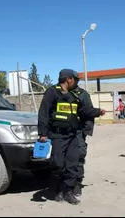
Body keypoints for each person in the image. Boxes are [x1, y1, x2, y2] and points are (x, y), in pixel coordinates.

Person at [37, 69, 105, 205]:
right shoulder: (52, 92)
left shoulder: (74, 95)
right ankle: (57, 189)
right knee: (58, 164)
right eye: (76, 79)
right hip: (57, 135)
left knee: (72, 164)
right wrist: (43, 133)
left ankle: (68, 191)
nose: (77, 82)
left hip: (73, 135)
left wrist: (97, 112)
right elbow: (43, 113)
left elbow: (83, 110)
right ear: (69, 79)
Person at [71, 86, 95, 198]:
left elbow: (89, 112)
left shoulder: (82, 94)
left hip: (78, 131)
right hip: (61, 132)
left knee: (79, 157)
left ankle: (77, 183)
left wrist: (86, 130)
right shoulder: (58, 92)